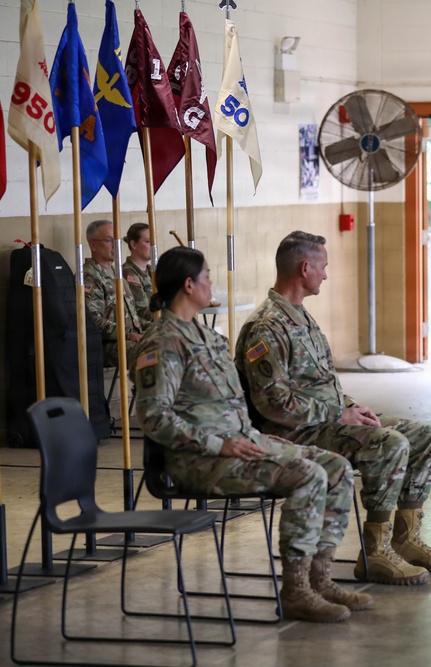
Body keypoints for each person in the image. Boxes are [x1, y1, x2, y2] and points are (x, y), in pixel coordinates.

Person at [132, 246, 372, 623]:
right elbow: (153, 417)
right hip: (201, 460)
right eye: (207, 275)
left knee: (336, 467)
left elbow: (229, 409)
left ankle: (320, 578)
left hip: (238, 448)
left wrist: (261, 438)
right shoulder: (164, 342)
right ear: (189, 284)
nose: (213, 281)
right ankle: (296, 591)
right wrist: (219, 444)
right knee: (308, 475)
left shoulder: (206, 337)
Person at [234, 231, 431, 587]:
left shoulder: (300, 317)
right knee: (389, 443)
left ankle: (404, 539)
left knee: (423, 436)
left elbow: (322, 384)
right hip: (291, 432)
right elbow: (274, 405)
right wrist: (339, 415)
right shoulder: (267, 327)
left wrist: (354, 408)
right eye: (322, 267)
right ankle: (375, 551)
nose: (325, 274)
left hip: (323, 421)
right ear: (304, 267)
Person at [83, 219, 147, 368]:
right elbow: (92, 321)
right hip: (109, 345)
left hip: (131, 338)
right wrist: (128, 334)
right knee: (151, 353)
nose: (115, 246)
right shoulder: (89, 277)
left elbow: (134, 316)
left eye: (117, 241)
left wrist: (158, 326)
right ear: (93, 245)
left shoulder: (116, 274)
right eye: (109, 241)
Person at [122, 222, 152, 321]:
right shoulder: (128, 273)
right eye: (148, 242)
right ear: (134, 244)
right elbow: (142, 311)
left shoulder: (152, 271)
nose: (153, 245)